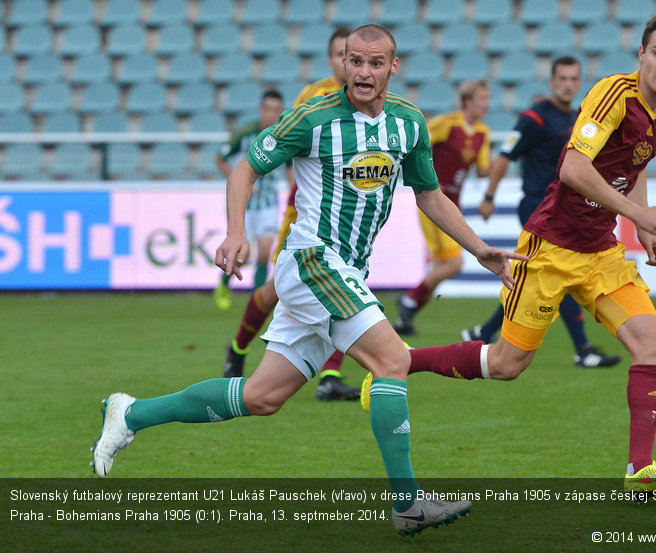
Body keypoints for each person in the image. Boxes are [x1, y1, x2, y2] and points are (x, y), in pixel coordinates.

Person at [92, 24, 524, 536]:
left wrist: (480, 252)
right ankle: (408, 504)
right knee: (392, 360)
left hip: (343, 271)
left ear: (394, 66)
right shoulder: (312, 119)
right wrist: (235, 233)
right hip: (313, 261)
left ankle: (132, 413)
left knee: (261, 397)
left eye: (374, 62)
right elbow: (244, 170)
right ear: (342, 62)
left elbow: (429, 196)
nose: (363, 72)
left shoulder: (408, 123)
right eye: (353, 61)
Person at [366, 14, 656, 496]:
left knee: (654, 345)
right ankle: (401, 361)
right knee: (505, 364)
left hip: (601, 252)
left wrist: (638, 221)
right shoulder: (613, 94)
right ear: (641, 55)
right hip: (551, 249)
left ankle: (639, 472)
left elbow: (635, 163)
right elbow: (572, 168)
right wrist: (638, 216)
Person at [223, 27, 361, 402]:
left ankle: (330, 376)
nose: (346, 63)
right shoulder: (312, 98)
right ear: (334, 60)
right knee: (270, 293)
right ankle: (236, 349)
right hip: (307, 216)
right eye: (339, 55)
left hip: (351, 219)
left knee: (351, 289)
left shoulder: (374, 102)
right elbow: (285, 146)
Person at [462, 57, 621, 369]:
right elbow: (505, 156)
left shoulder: (578, 118)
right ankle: (583, 350)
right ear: (551, 82)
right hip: (538, 210)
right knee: (562, 277)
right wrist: (489, 196)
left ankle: (484, 331)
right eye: (561, 78)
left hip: (564, 212)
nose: (567, 84)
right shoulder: (534, 118)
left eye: (573, 79)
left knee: (541, 279)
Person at [393, 80, 492, 335]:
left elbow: (482, 170)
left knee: (441, 267)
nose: (487, 103)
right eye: (482, 98)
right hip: (432, 202)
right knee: (454, 264)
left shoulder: (483, 132)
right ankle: (409, 300)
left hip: (452, 206)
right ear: (468, 100)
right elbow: (417, 138)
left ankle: (406, 316)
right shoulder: (448, 123)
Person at [213, 89, 287, 311]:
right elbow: (220, 158)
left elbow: (293, 167)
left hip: (268, 201)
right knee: (242, 255)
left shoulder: (285, 134)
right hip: (244, 202)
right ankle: (224, 284)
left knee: (265, 251)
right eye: (268, 109)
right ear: (261, 109)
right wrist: (239, 181)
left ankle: (255, 303)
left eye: (276, 109)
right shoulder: (244, 134)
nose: (271, 114)